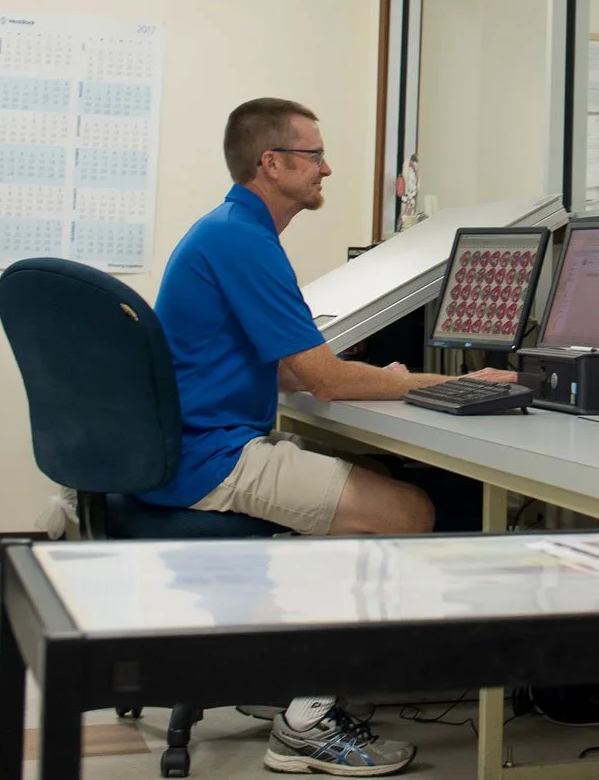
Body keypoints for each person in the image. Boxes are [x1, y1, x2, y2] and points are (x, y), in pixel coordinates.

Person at [140, 96, 513, 776]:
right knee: (406, 511)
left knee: (377, 484)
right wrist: (432, 383)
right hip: (212, 458)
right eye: (313, 155)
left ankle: (288, 668)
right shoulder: (243, 240)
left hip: (199, 446)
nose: (327, 168)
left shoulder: (232, 230)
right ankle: (307, 717)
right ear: (271, 162)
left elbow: (288, 371)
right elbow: (325, 381)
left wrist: (385, 377)